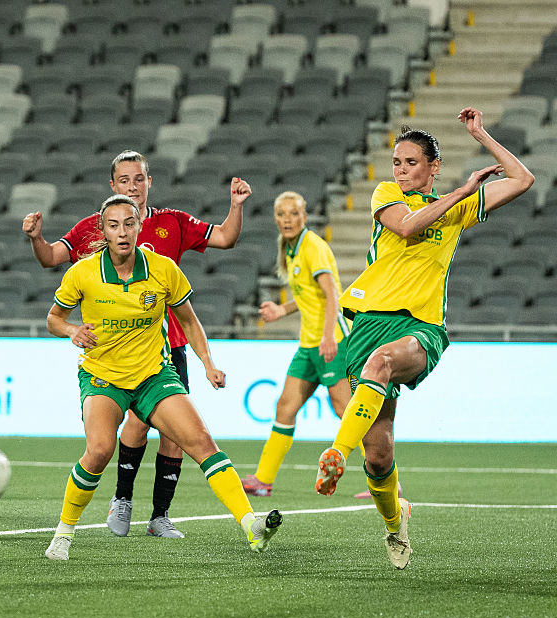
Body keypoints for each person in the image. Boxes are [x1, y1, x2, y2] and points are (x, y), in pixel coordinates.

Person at [314, 108, 534, 569]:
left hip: (421, 327)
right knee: (380, 455)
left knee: (381, 364)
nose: (400, 170)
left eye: (411, 163)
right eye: (396, 162)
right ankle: (397, 522)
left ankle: (335, 452)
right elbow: (408, 227)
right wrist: (461, 191)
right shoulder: (386, 194)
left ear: (433, 166)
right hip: (370, 322)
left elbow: (521, 178)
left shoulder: (457, 208)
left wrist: (480, 135)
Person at [22, 149, 252, 539]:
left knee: (177, 434)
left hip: (166, 348)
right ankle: (121, 499)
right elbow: (50, 261)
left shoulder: (172, 223)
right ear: (113, 187)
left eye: (139, 179)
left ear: (150, 182)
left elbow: (227, 238)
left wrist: (235, 205)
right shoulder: (92, 230)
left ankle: (160, 514)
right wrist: (37, 238)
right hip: (112, 357)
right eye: (124, 181)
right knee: (130, 429)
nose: (133, 186)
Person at [40, 193, 282, 561]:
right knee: (101, 449)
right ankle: (64, 532)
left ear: (139, 226)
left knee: (202, 442)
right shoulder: (83, 273)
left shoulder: (163, 268)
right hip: (103, 377)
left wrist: (207, 363)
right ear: (102, 231)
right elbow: (53, 319)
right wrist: (72, 330)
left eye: (129, 224)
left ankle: (251, 525)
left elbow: (188, 320)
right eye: (113, 225)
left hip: (153, 375)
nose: (122, 232)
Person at [241, 190, 371, 497]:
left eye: (294, 213)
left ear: (304, 216)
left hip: (332, 340)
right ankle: (263, 480)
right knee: (285, 407)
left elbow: (332, 295)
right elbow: (307, 297)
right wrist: (281, 310)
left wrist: (328, 337)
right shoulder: (290, 248)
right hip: (308, 344)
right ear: (276, 219)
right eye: (282, 215)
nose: (287, 220)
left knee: (345, 409)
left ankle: (382, 477)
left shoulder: (313, 247)